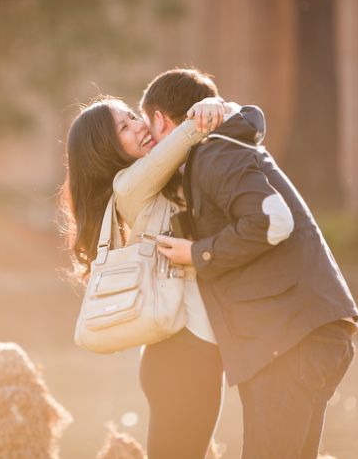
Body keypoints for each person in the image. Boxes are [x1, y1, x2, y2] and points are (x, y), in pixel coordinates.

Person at [148, 68, 358, 459]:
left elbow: (271, 221)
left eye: (150, 130)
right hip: (306, 333)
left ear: (161, 120)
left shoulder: (214, 153)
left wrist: (199, 254)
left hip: (290, 339)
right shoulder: (219, 152)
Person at [60, 91, 236, 458]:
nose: (140, 126)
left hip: (190, 352)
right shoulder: (130, 187)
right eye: (125, 127)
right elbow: (182, 141)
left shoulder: (162, 182)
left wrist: (223, 112)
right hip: (181, 354)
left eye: (132, 116)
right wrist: (206, 113)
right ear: (105, 150)